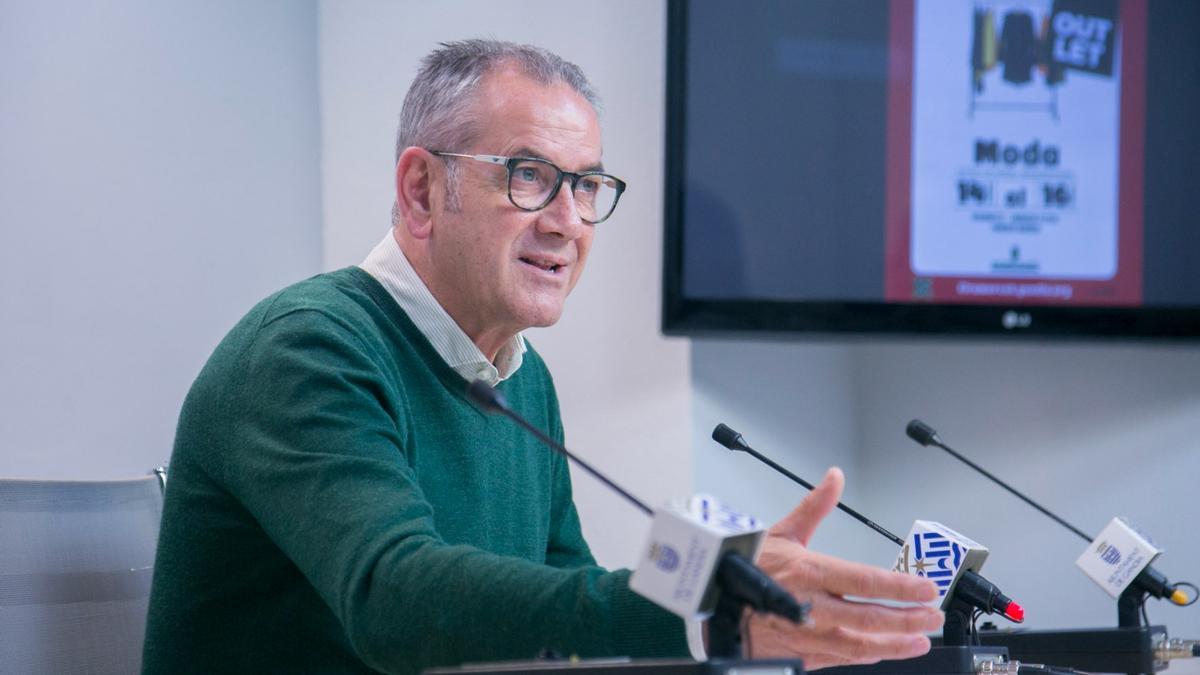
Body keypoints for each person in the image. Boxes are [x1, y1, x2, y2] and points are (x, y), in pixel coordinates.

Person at [143, 39, 942, 674]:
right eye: (530, 176)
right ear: (422, 190)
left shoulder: (519, 376)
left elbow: (564, 613)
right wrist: (705, 609)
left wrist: (728, 593)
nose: (569, 221)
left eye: (587, 185)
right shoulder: (310, 348)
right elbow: (395, 600)